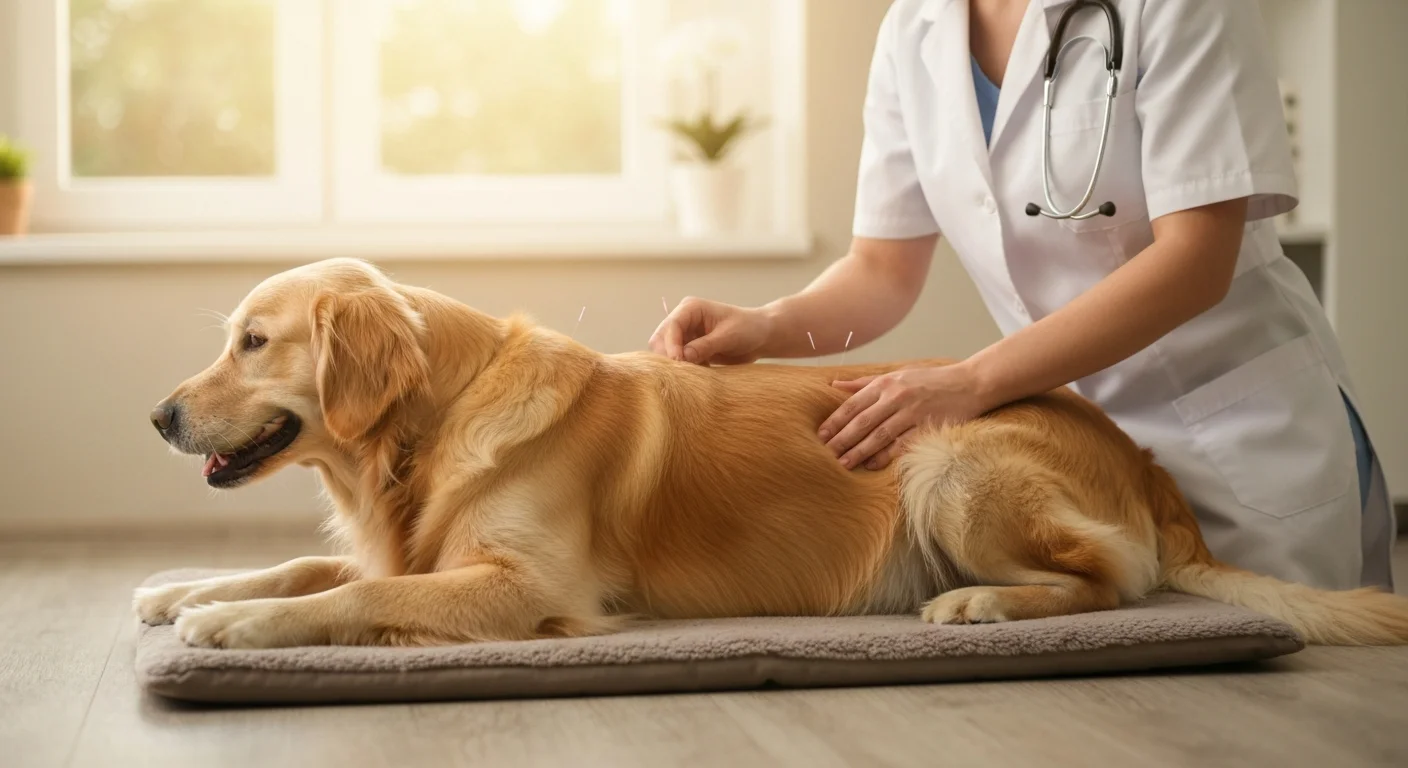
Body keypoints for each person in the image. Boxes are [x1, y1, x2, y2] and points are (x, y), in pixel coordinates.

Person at [648, 0, 1395, 591]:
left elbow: (1197, 259)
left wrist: (973, 382)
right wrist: (764, 324)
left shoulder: (1176, 4)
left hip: (1239, 442)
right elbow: (880, 270)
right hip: (1081, 462)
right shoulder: (915, 28)